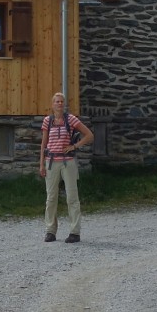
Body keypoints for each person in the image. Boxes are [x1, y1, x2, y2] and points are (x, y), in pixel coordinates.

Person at [39, 91, 93, 243]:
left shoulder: (71, 119)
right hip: (51, 161)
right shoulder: (47, 121)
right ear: (52, 104)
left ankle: (75, 232)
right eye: (57, 101)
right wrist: (41, 164)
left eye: (61, 101)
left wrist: (74, 146)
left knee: (72, 197)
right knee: (51, 198)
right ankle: (50, 231)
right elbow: (43, 144)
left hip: (68, 162)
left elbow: (89, 135)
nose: (59, 104)